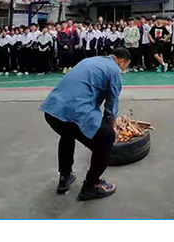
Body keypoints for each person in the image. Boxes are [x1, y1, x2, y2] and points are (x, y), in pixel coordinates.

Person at [40, 47, 131, 200]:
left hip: (52, 111)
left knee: (68, 132)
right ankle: (91, 185)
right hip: (76, 112)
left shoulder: (90, 60)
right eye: (126, 66)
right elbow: (111, 105)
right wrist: (112, 128)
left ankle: (64, 177)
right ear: (121, 61)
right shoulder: (114, 70)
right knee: (106, 137)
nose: (124, 70)